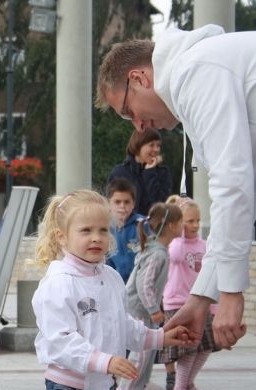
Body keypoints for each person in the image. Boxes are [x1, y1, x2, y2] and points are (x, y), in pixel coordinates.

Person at [95, 25, 255, 349]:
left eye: (128, 112)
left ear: (139, 79)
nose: (138, 125)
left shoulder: (195, 71)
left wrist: (230, 292)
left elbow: (233, 184)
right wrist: (200, 299)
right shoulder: (198, 70)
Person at [31, 190, 194, 390]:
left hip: (103, 387)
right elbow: (60, 340)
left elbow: (123, 324)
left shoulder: (111, 277)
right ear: (61, 236)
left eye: (103, 230)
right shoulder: (58, 283)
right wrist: (105, 361)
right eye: (86, 230)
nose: (96, 237)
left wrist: (160, 337)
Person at [114, 202, 183, 390]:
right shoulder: (157, 253)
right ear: (171, 225)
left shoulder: (158, 249)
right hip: (139, 310)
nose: (184, 226)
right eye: (182, 222)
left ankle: (139, 386)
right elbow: (144, 284)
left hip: (145, 310)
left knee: (149, 351)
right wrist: (154, 309)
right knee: (141, 351)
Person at [157, 196, 219, 390]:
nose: (195, 225)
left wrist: (214, 308)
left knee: (205, 347)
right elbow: (175, 252)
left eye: (197, 220)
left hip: (201, 305)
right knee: (189, 348)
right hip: (178, 304)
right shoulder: (176, 245)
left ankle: (188, 384)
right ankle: (179, 388)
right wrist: (176, 216)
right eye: (189, 221)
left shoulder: (204, 245)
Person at [107, 129, 172, 216]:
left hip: (154, 223)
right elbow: (111, 204)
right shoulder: (119, 173)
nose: (156, 149)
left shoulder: (162, 173)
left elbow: (162, 204)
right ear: (138, 146)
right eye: (151, 145)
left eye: (158, 145)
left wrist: (149, 173)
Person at [105, 178, 143, 282]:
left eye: (127, 202)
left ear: (133, 203)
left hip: (139, 283)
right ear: (109, 203)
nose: (122, 206)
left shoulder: (142, 225)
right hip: (115, 283)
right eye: (117, 202)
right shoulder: (105, 228)